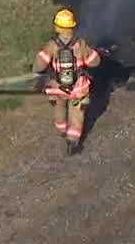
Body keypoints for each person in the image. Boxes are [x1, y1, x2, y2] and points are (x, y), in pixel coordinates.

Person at [32, 8, 101, 156]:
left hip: (57, 89)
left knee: (59, 109)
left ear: (57, 27)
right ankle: (72, 143)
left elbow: (39, 65)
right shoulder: (80, 44)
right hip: (78, 89)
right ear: (73, 26)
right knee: (77, 115)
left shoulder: (51, 45)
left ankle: (62, 129)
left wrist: (36, 72)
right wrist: (94, 53)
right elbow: (94, 62)